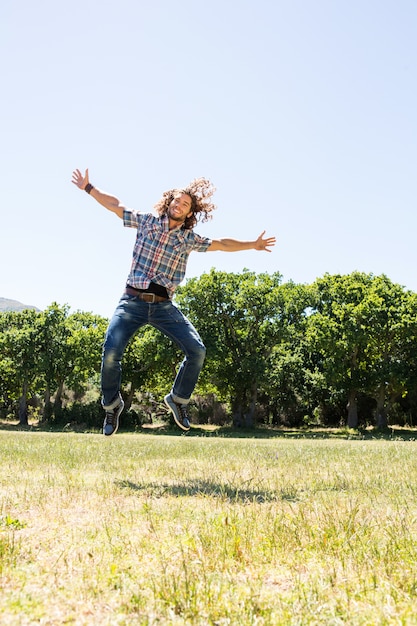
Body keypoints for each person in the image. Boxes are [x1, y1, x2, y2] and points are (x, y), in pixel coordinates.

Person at [71, 168, 276, 435]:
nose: (179, 205)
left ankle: (178, 400)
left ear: (190, 213)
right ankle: (111, 406)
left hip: (163, 306)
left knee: (197, 350)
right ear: (169, 202)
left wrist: (253, 244)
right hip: (132, 301)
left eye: (185, 204)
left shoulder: (188, 239)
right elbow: (115, 206)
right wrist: (89, 188)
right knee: (111, 352)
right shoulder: (146, 222)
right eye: (176, 200)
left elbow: (221, 244)